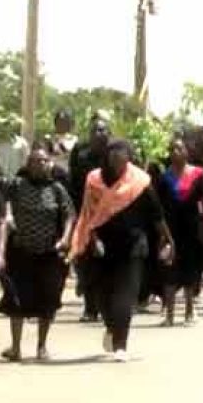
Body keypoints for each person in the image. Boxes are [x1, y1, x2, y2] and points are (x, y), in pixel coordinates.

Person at [70, 140, 174, 362]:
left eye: (122, 159)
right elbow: (89, 214)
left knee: (124, 297)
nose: (118, 163)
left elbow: (157, 215)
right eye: (113, 158)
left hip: (133, 246)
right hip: (102, 247)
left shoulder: (140, 182)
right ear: (107, 159)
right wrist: (94, 240)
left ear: (128, 159)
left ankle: (121, 344)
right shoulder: (94, 180)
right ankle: (111, 327)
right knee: (102, 296)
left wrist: (168, 240)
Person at [0, 148, 75, 362]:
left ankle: (42, 347)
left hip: (49, 253)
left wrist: (66, 238)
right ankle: (15, 348)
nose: (40, 164)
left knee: (48, 301)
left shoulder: (57, 189)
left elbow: (70, 215)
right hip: (21, 251)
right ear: (28, 164)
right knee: (16, 301)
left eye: (44, 161)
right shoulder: (16, 185)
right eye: (35, 161)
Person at [157, 138, 203, 326]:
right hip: (170, 230)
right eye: (172, 149)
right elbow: (158, 208)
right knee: (169, 271)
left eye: (179, 148)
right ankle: (170, 314)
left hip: (193, 229)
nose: (176, 151)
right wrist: (160, 234)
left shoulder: (198, 175)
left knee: (191, 270)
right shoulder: (164, 178)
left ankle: (190, 310)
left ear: (187, 152)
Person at [69, 116, 111, 323]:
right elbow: (73, 186)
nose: (98, 134)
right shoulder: (80, 155)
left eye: (102, 130)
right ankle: (90, 308)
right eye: (95, 130)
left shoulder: (115, 156)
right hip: (86, 215)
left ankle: (106, 307)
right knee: (86, 263)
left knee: (107, 263)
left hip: (110, 217)